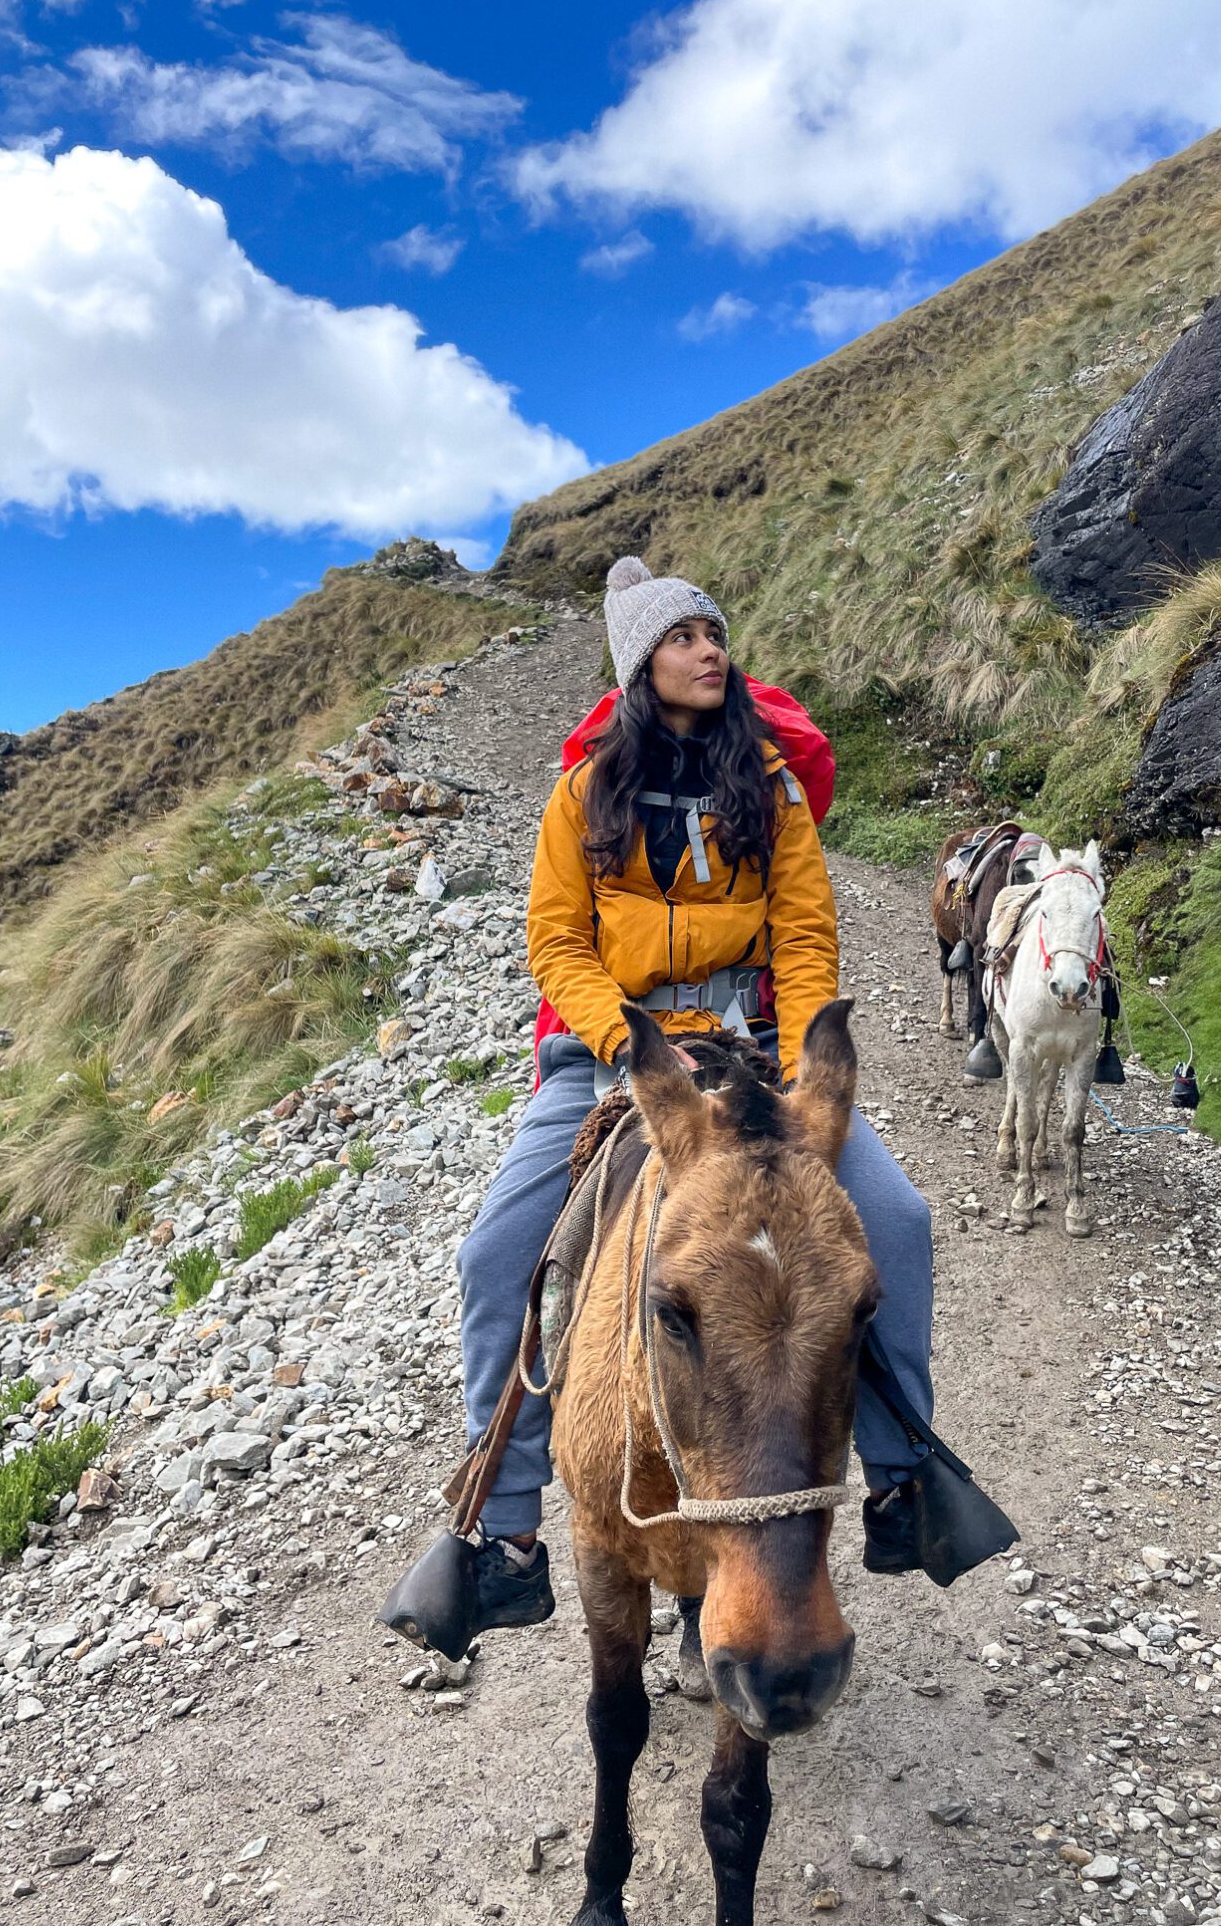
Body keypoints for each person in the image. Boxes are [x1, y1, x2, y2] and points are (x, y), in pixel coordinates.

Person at [381, 557, 944, 1647]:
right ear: (642, 661)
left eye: (714, 632)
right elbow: (557, 940)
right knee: (498, 1259)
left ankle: (905, 1477)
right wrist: (628, 1048)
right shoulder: (584, 790)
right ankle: (502, 1534)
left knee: (900, 1226)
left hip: (752, 1052)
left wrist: (803, 1070)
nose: (708, 649)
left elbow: (807, 934)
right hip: (619, 1059)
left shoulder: (770, 787)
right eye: (683, 635)